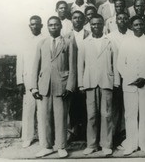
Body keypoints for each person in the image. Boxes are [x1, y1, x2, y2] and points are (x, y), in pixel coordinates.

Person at [31, 16, 77, 158]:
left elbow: (73, 66)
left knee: (61, 117)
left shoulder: (68, 43)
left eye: (56, 25)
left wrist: (70, 87)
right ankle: (47, 146)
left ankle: (61, 146)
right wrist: (34, 87)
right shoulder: (42, 43)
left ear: (61, 26)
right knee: (45, 117)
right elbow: (35, 66)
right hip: (45, 85)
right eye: (51, 25)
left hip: (61, 86)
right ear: (47, 27)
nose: (53, 27)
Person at [78, 14, 120, 156]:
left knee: (106, 114)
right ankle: (92, 144)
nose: (96, 26)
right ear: (90, 26)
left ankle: (106, 144)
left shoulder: (109, 41)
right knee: (91, 115)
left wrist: (116, 81)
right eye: (94, 24)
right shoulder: (85, 42)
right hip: (90, 82)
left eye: (99, 24)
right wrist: (80, 84)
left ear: (103, 25)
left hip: (106, 81)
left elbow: (116, 62)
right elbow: (80, 65)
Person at [117, 16, 145, 156]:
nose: (139, 26)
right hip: (129, 85)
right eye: (136, 24)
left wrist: (144, 79)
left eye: (141, 24)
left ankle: (144, 144)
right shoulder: (125, 42)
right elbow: (120, 64)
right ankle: (131, 144)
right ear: (131, 26)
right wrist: (132, 79)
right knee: (130, 115)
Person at [16, 15, 45, 148]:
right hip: (27, 80)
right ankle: (28, 137)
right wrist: (20, 81)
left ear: (41, 25)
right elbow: (20, 61)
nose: (35, 26)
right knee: (28, 109)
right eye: (32, 24)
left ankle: (43, 137)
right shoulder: (24, 41)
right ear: (29, 26)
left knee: (42, 109)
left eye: (37, 24)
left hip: (42, 79)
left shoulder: (46, 39)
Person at [107, 12, 133, 149]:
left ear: (128, 20)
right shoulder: (110, 37)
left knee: (128, 108)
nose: (122, 21)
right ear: (115, 21)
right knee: (115, 107)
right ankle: (113, 136)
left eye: (124, 18)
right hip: (115, 76)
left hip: (130, 76)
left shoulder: (133, 34)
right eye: (119, 19)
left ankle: (126, 136)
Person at [64, 11, 89, 142]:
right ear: (71, 20)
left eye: (80, 18)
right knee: (72, 105)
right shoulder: (66, 37)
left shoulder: (90, 35)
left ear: (84, 20)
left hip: (87, 74)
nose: (77, 20)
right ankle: (72, 132)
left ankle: (86, 133)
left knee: (86, 105)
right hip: (72, 75)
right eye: (75, 18)